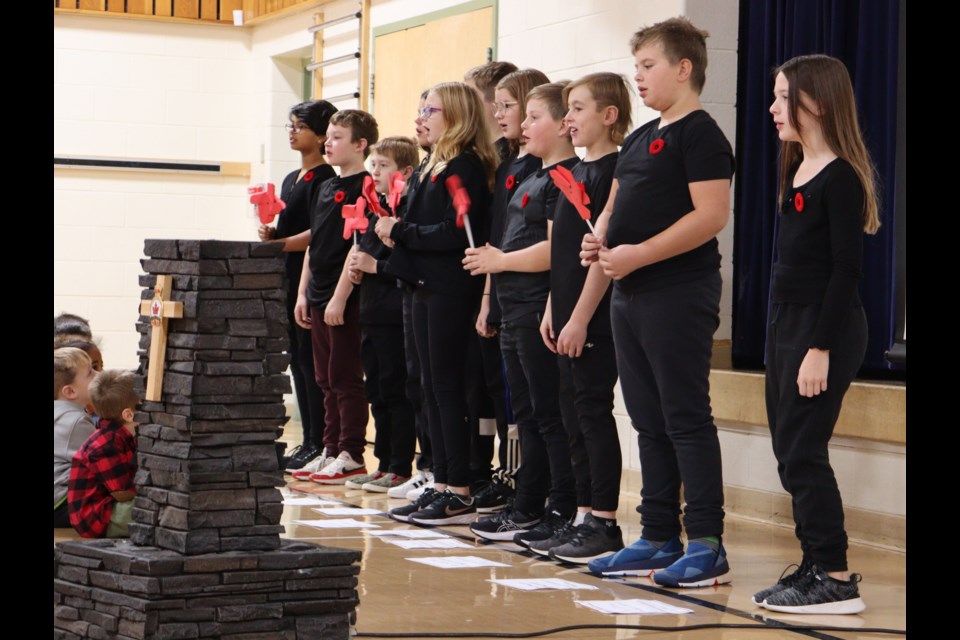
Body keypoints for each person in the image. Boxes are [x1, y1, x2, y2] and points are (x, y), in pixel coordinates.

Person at [581, 17, 734, 588]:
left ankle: (708, 544)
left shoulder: (702, 134)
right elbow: (614, 208)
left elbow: (711, 217)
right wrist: (598, 240)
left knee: (685, 417)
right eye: (637, 67)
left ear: (684, 67)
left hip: (678, 291)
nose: (638, 78)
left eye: (648, 66)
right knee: (646, 418)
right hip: (630, 292)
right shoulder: (642, 137)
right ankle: (657, 535)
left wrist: (639, 253)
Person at [753, 54, 878, 615]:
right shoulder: (794, 166)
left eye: (783, 97)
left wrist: (818, 348)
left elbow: (845, 272)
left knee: (803, 450)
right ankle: (812, 563)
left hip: (824, 327)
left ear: (817, 103)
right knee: (788, 450)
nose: (773, 107)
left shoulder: (842, 178)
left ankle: (833, 573)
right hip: (787, 322)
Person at [376, 82, 497, 526]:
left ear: (458, 115)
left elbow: (454, 232)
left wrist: (402, 231)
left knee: (447, 389)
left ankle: (459, 488)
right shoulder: (433, 164)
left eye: (431, 109)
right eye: (420, 107)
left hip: (449, 287)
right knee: (430, 387)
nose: (421, 116)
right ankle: (442, 482)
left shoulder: (462, 166)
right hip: (423, 284)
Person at [463, 82, 578, 546]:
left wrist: (502, 262)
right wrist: (494, 282)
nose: (524, 126)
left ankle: (555, 506)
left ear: (562, 125)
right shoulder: (532, 175)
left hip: (537, 308)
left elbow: (556, 250)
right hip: (513, 308)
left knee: (548, 415)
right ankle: (527, 504)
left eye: (534, 117)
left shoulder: (564, 178)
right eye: (524, 116)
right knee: (527, 415)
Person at [533, 72, 632, 563]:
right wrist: (555, 308)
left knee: (592, 414)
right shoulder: (572, 173)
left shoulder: (615, 171)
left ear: (609, 116)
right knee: (571, 414)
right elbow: (564, 255)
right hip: (567, 313)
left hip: (594, 318)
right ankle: (580, 514)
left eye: (577, 109)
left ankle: (605, 521)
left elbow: (602, 256)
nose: (568, 119)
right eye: (566, 110)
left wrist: (579, 318)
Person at [471, 68, 551, 515]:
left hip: (534, 296)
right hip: (504, 290)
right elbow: (498, 238)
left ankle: (533, 490)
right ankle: (516, 482)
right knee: (511, 399)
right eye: (496, 106)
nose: (500, 115)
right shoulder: (509, 167)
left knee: (536, 410)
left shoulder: (545, 169)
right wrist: (489, 297)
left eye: (508, 105)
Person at [293, 109, 379, 485]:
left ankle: (351, 453)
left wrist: (340, 296)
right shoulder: (327, 185)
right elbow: (315, 244)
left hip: (342, 296)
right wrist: (302, 293)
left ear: (360, 144)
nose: (328, 143)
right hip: (316, 292)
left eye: (338, 137)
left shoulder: (366, 187)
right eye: (327, 136)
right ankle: (328, 448)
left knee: (345, 377)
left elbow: (356, 248)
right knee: (323, 378)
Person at [259, 100, 338, 473]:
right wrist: (273, 233)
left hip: (311, 276)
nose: (292, 132)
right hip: (287, 274)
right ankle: (307, 438)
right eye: (289, 125)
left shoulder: (325, 179)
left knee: (311, 361)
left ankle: (320, 440)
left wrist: (281, 244)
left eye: (300, 126)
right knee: (297, 361)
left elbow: (318, 234)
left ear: (322, 135)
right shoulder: (292, 179)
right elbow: (291, 229)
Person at [344, 136, 420, 493]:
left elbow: (406, 265)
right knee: (376, 390)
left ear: (404, 172)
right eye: (373, 165)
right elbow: (369, 258)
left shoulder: (404, 215)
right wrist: (361, 268)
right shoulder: (376, 212)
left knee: (396, 390)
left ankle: (401, 464)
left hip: (394, 314)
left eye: (383, 165)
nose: (375, 172)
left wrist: (377, 267)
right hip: (371, 312)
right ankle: (384, 462)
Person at [68, 369, 139, 538]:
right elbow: (124, 492)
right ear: (129, 415)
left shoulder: (122, 437)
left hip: (109, 506)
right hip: (96, 517)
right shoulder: (104, 445)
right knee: (154, 509)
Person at [54, 347, 98, 527]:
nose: (98, 374)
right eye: (90, 373)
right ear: (70, 392)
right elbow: (99, 461)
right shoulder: (77, 421)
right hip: (62, 502)